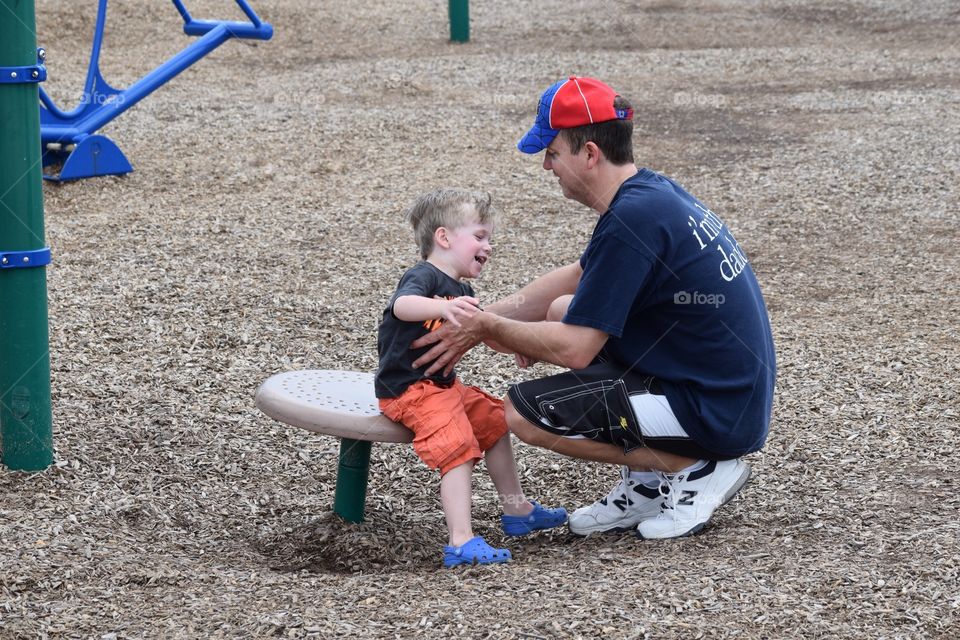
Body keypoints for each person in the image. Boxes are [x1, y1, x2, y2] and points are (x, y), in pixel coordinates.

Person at [410, 77, 776, 540]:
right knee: (563, 308)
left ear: (589, 153)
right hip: (723, 388)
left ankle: (692, 467)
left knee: (522, 413)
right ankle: (647, 483)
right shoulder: (650, 194)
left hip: (716, 411)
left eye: (553, 153)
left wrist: (486, 327)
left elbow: (576, 349)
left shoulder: (631, 218)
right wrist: (472, 315)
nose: (547, 165)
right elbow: (579, 276)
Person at [375, 188, 567, 567]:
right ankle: (460, 540)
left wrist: (517, 344)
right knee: (459, 445)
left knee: (494, 420)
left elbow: (481, 332)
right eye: (480, 236)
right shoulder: (423, 276)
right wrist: (440, 309)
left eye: (489, 238)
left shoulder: (462, 290)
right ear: (443, 238)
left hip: (443, 386)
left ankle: (517, 509)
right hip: (409, 390)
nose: (488, 246)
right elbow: (401, 306)